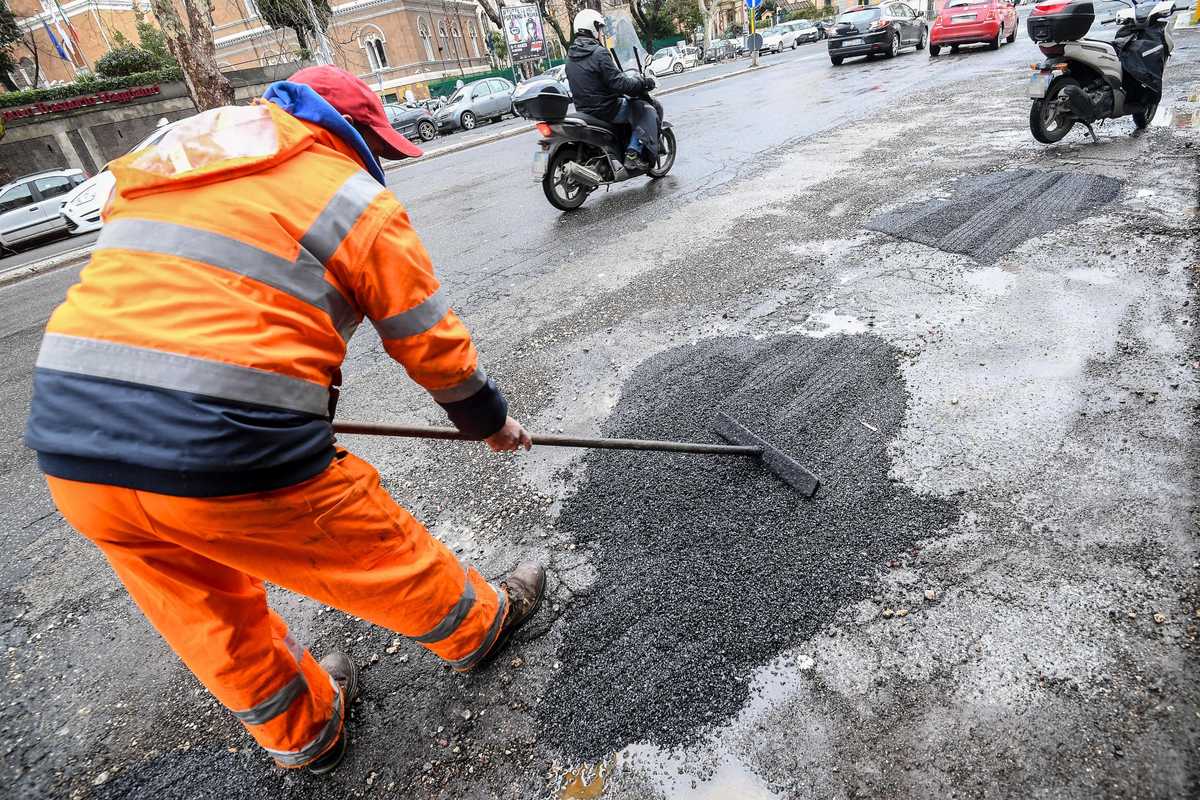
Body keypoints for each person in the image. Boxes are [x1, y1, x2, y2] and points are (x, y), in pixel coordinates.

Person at [24, 65, 546, 775]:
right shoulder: (345, 193)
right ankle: (479, 628)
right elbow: (427, 337)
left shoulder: (170, 173)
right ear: (351, 134)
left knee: (205, 611)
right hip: (223, 445)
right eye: (379, 148)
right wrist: (488, 422)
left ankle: (304, 734)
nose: (380, 165)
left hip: (69, 442)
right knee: (369, 545)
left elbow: (185, 309)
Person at [564, 9, 660, 170]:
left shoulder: (570, 57)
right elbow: (620, 84)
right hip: (607, 109)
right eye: (600, 28)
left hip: (584, 111)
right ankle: (633, 153)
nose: (602, 32)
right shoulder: (599, 53)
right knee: (644, 109)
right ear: (592, 28)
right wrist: (644, 83)